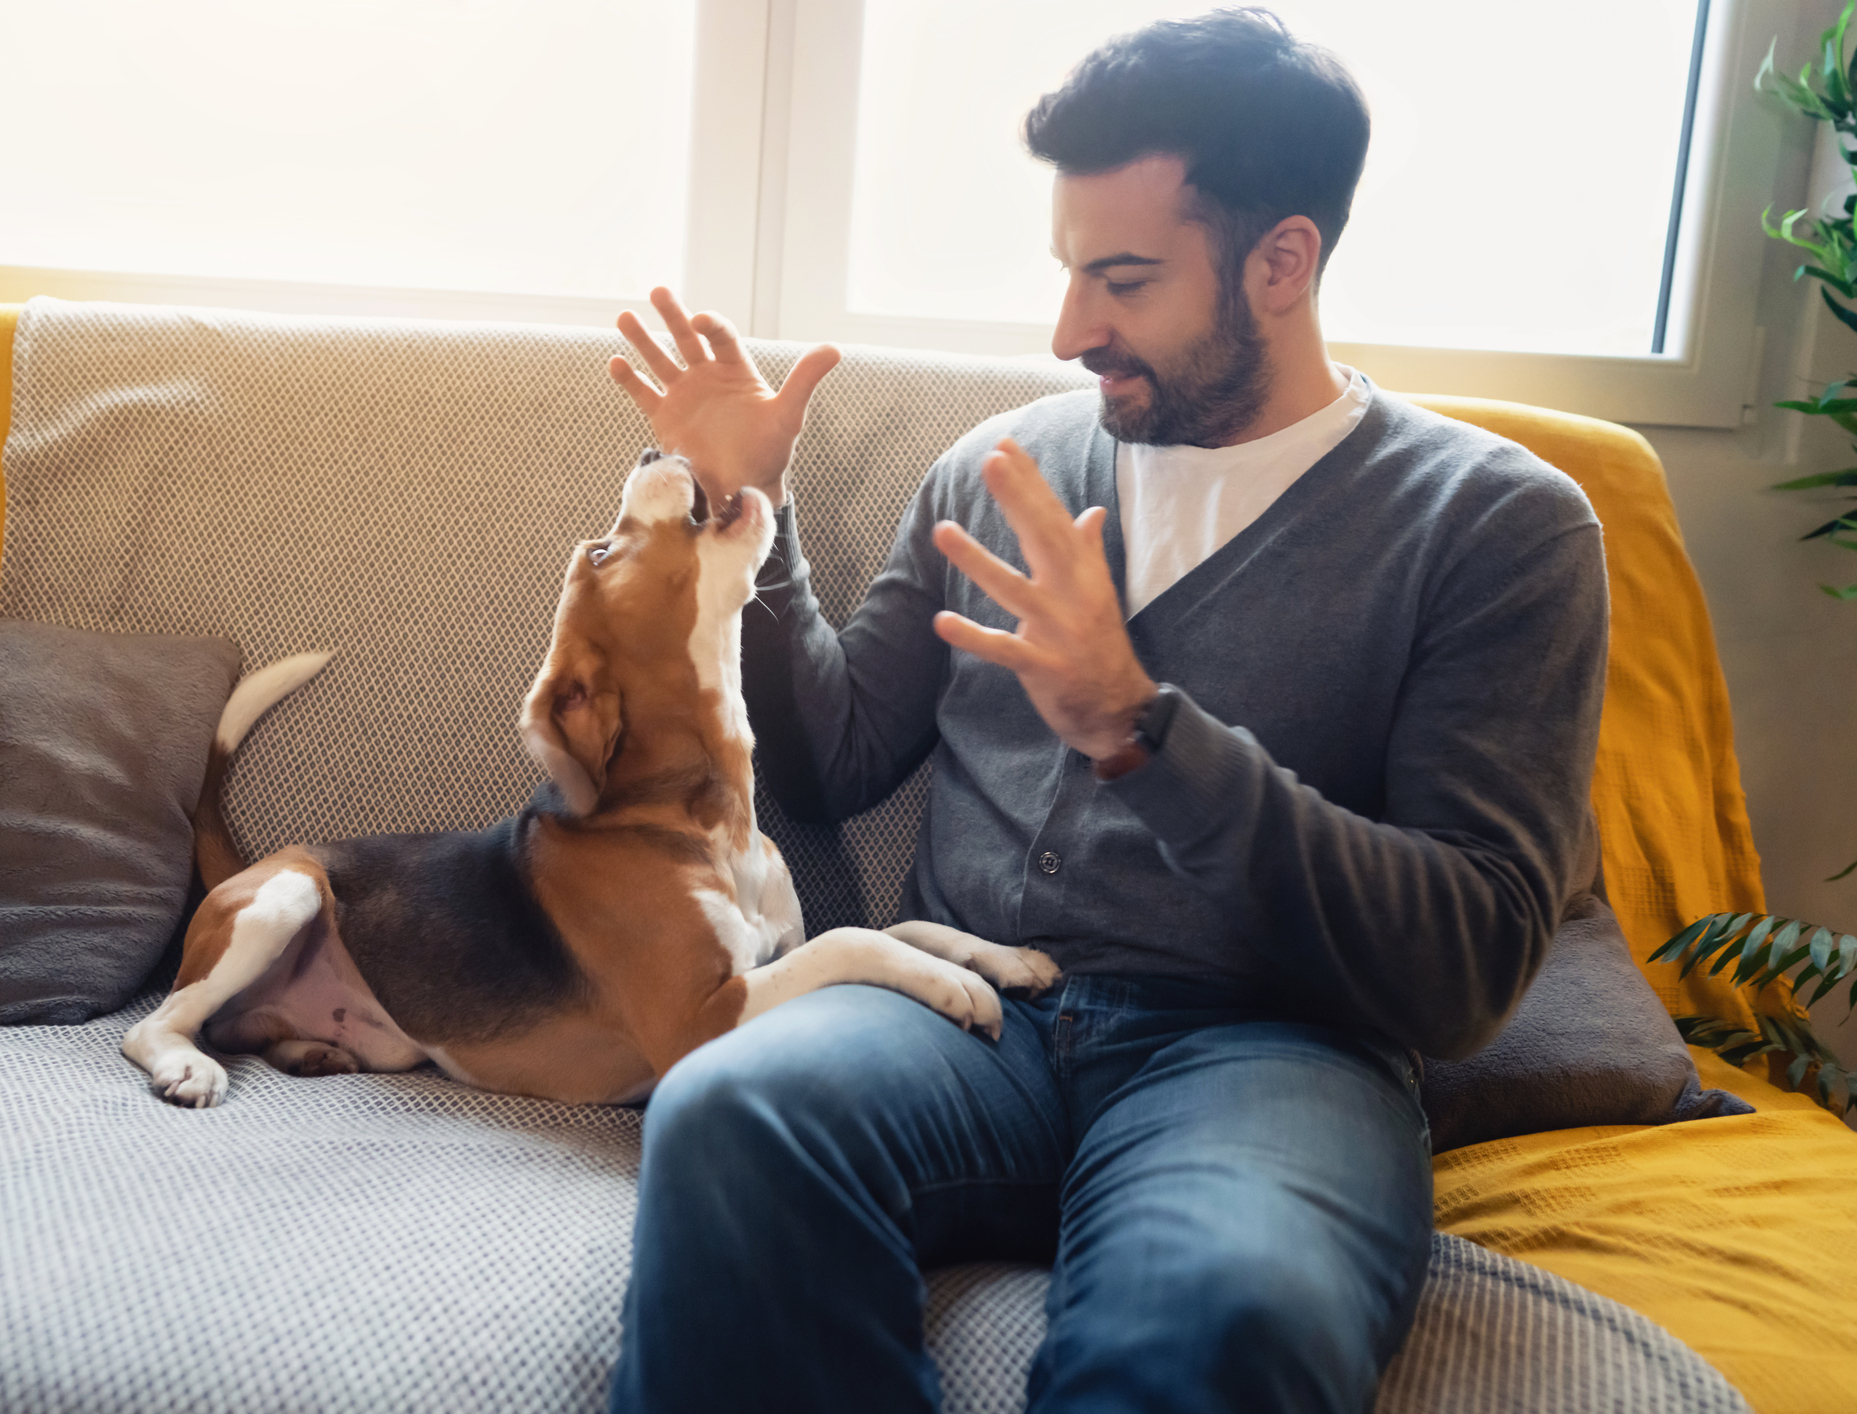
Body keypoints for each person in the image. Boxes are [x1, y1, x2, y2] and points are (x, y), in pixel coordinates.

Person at [602, 10, 1606, 1413]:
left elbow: (1466, 962)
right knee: (726, 1107)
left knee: (1226, 1307)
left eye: (1122, 280)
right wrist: (742, 525)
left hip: (1270, 1048)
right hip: (960, 1008)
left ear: (1282, 261)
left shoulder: (1492, 528)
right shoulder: (1000, 466)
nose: (1070, 330)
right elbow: (829, 763)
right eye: (1069, 270)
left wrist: (1145, 732)